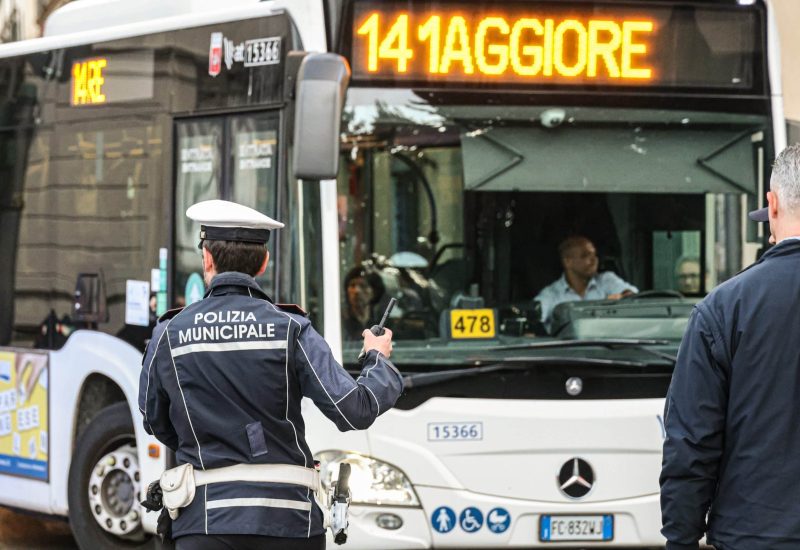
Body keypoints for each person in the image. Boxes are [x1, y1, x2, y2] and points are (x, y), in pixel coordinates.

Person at [138, 200, 403, 550]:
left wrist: (206, 441)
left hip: (204, 523)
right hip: (289, 522)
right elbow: (355, 410)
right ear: (263, 263)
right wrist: (377, 358)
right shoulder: (292, 328)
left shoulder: (169, 334)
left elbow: (154, 420)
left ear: (207, 259)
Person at [660, 144, 800, 550]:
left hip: (753, 535)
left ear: (773, 205)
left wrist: (681, 539)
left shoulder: (723, 308)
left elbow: (691, 444)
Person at [534, 236, 638, 331]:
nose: (594, 260)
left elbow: (634, 296)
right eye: (585, 256)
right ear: (567, 262)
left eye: (594, 255)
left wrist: (622, 298)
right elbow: (532, 317)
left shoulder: (606, 280)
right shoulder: (551, 294)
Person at [342, 265, 385, 340]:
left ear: (374, 292)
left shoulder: (382, 322)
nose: (356, 291)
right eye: (352, 285)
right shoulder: (340, 322)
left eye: (363, 286)